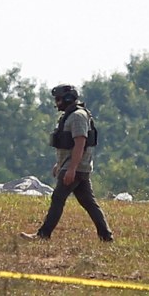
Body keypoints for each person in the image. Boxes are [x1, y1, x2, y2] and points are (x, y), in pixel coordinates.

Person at [21, 84, 112, 242]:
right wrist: (60, 164)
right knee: (88, 202)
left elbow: (80, 143)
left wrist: (71, 169)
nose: (56, 103)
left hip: (75, 167)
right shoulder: (71, 116)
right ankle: (106, 236)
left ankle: (43, 234)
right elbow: (68, 145)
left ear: (68, 98)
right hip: (74, 166)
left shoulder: (77, 116)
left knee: (58, 198)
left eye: (58, 99)